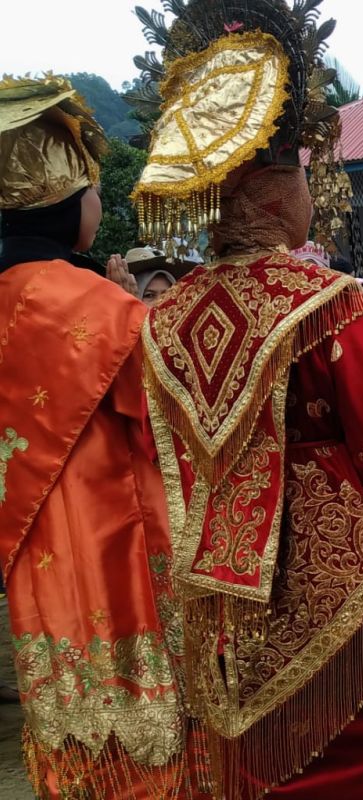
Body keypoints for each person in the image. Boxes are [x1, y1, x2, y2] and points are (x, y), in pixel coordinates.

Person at [131, 4, 363, 797]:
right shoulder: (331, 302)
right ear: (278, 187)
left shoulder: (161, 319)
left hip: (221, 607)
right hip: (345, 592)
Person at [0, 75, 208, 798]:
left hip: (34, 560)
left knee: (65, 717)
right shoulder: (99, 308)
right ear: (65, 200)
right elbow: (173, 426)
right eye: (93, 190)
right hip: (117, 544)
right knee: (145, 742)